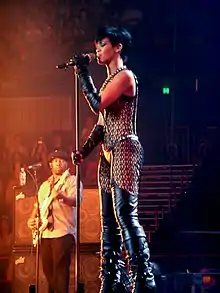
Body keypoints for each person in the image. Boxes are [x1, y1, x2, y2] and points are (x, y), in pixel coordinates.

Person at [72, 26, 156, 293]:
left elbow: (97, 103)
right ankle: (112, 280)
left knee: (124, 214)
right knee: (107, 220)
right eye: (96, 46)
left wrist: (83, 73)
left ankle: (143, 280)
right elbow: (101, 125)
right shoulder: (109, 82)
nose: (97, 50)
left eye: (102, 45)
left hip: (125, 149)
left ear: (117, 47)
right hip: (108, 153)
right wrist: (84, 152)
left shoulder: (125, 77)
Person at [27, 150, 83, 293]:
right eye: (55, 160)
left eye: (61, 160)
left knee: (60, 271)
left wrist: (62, 197)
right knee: (48, 272)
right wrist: (32, 219)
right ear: (50, 164)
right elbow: (38, 207)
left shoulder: (72, 180)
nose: (58, 162)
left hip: (64, 231)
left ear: (66, 163)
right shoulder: (44, 185)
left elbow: (76, 200)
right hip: (45, 234)